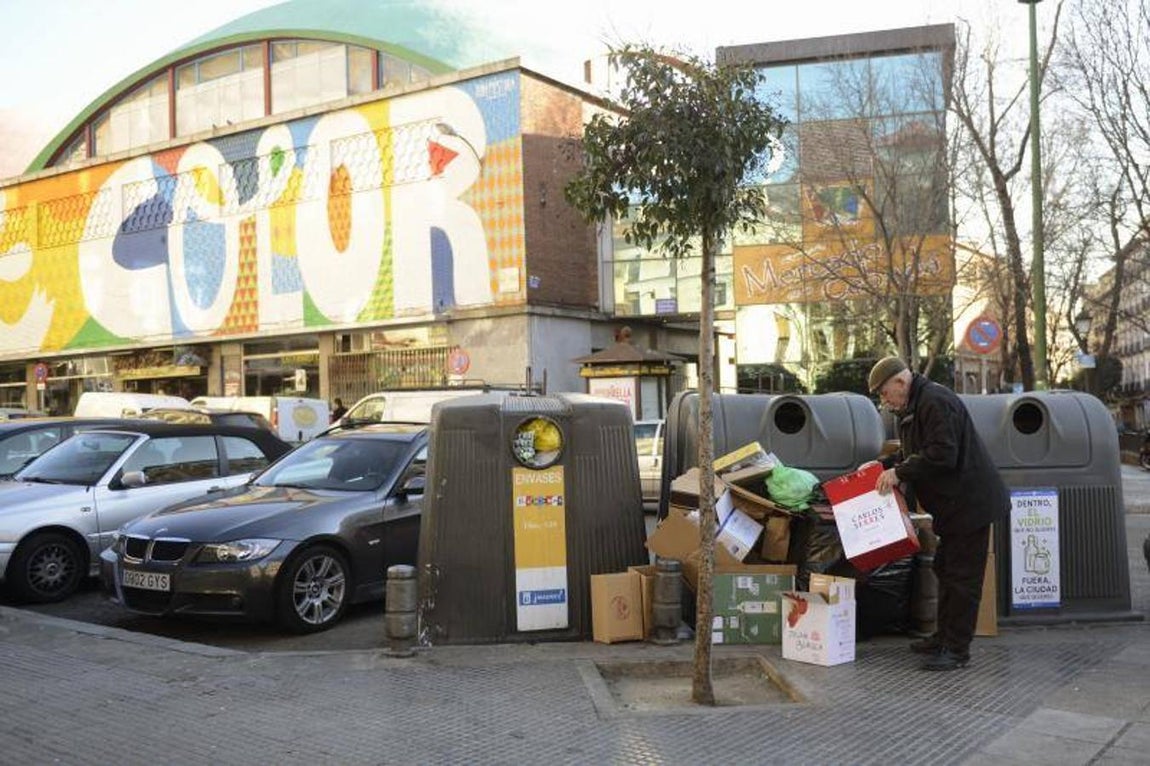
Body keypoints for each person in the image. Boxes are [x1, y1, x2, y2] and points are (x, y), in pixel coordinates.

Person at [866, 356, 1010, 672]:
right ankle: (943, 637)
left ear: (900, 383)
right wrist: (883, 469)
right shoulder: (916, 406)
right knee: (946, 570)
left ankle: (957, 650)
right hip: (955, 507)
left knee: (961, 579)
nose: (884, 400)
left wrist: (900, 473)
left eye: (884, 392)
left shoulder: (934, 401)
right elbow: (913, 452)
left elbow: (942, 453)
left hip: (970, 505)